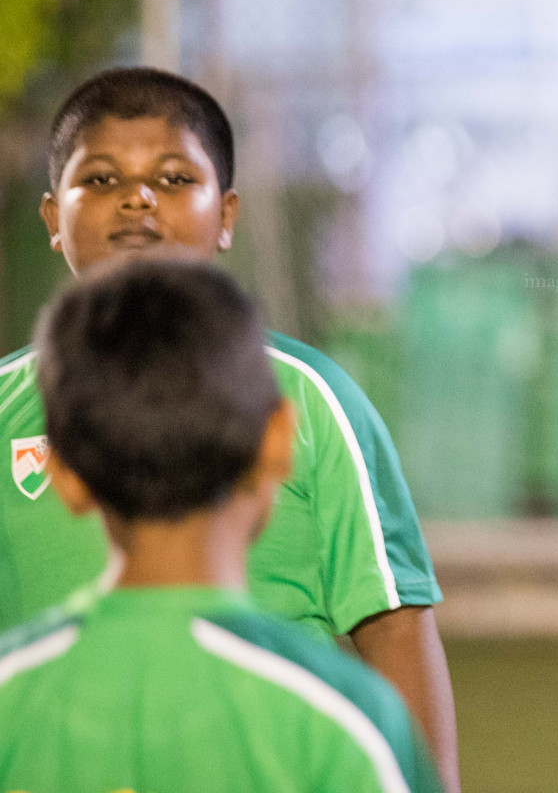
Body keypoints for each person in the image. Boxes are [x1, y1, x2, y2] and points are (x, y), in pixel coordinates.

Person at [0, 67, 458, 790]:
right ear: (54, 219)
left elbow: (394, 623)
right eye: (103, 179)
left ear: (228, 215)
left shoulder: (314, 402)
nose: (139, 198)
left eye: (176, 178)